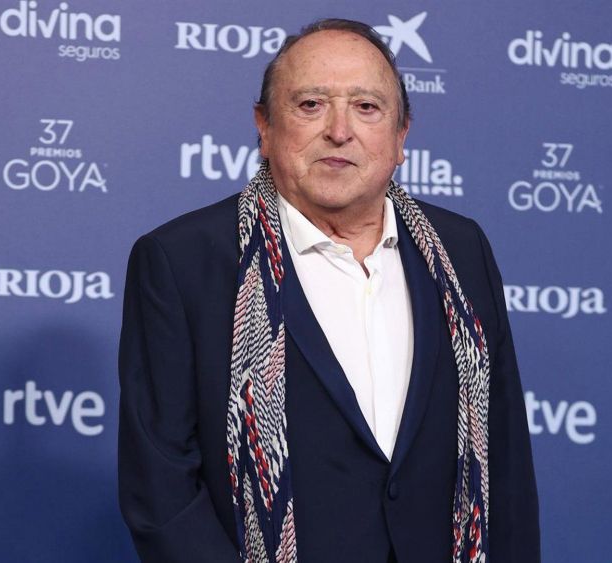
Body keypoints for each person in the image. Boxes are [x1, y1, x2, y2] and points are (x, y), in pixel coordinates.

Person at [118, 18, 539, 563]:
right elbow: (162, 490)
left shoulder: (461, 250)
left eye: (367, 107)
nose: (340, 131)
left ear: (401, 137)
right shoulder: (182, 261)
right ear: (264, 126)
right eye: (311, 104)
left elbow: (504, 462)